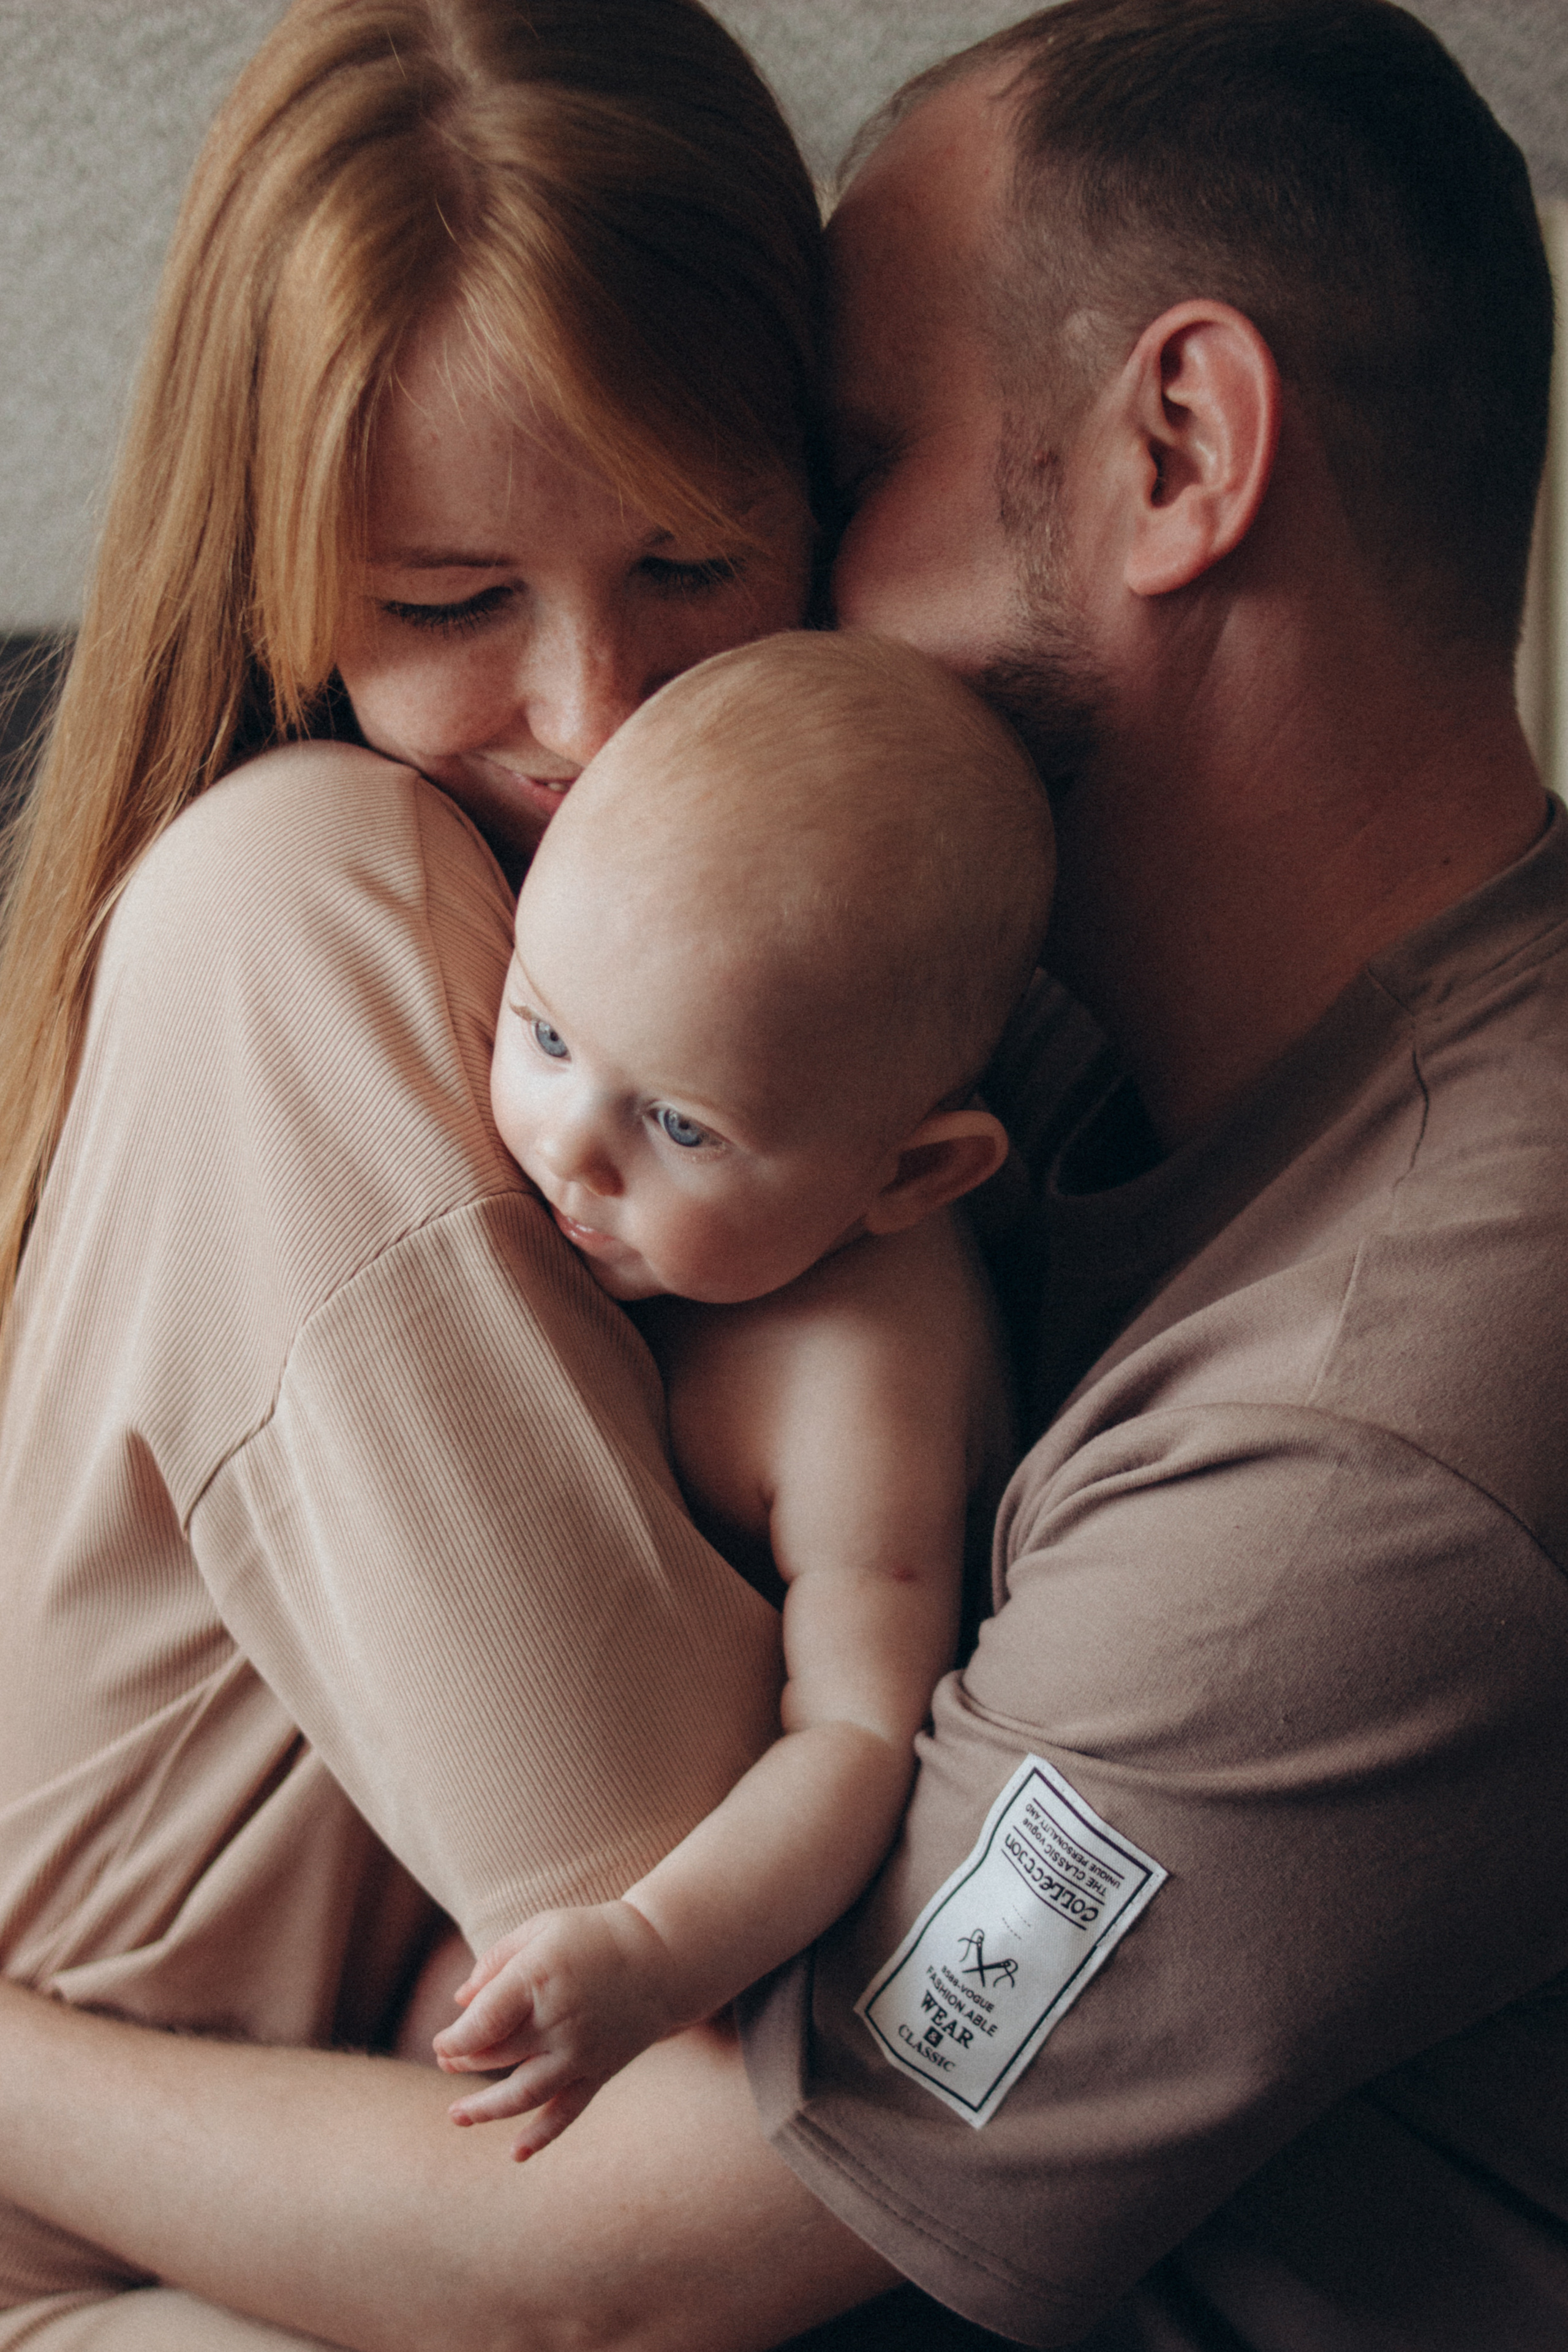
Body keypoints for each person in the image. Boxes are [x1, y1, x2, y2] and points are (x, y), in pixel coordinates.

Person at [2, 2, 1567, 2349]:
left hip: (716, 2256)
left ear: (1177, 450)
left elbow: (615, 2265)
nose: (624, 729)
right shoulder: (1016, 1020)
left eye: (832, 474)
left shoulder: (1375, 1430)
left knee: (281, 893)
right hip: (489, 2128)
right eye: (448, 601)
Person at [0, 0, 842, 2337]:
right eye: (453, 607)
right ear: (276, 592)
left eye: (695, 559)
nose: (601, 714)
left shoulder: (840, 971)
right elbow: (679, 1991)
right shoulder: (309, 903)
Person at [438, 630, 1049, 2157]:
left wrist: (651, 1955)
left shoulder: (859, 1378)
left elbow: (851, 1738)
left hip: (686, 1863)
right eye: (548, 1029)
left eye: (683, 1128)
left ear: (909, 1173)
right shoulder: (591, 1171)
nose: (567, 1143)